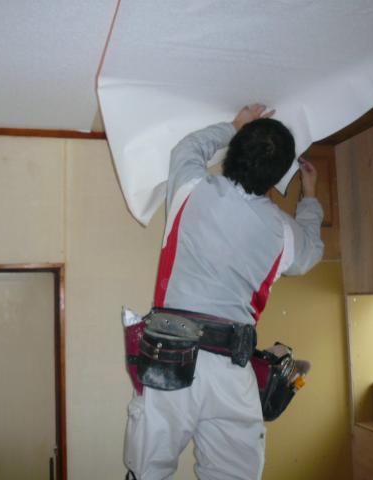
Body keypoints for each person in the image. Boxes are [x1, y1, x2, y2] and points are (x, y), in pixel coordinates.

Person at [124, 104, 324, 480]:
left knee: (148, 471)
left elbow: (188, 147)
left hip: (170, 353)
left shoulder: (190, 189)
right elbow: (312, 250)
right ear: (276, 177)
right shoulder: (282, 232)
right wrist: (309, 196)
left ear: (233, 153)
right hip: (232, 370)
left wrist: (234, 125)